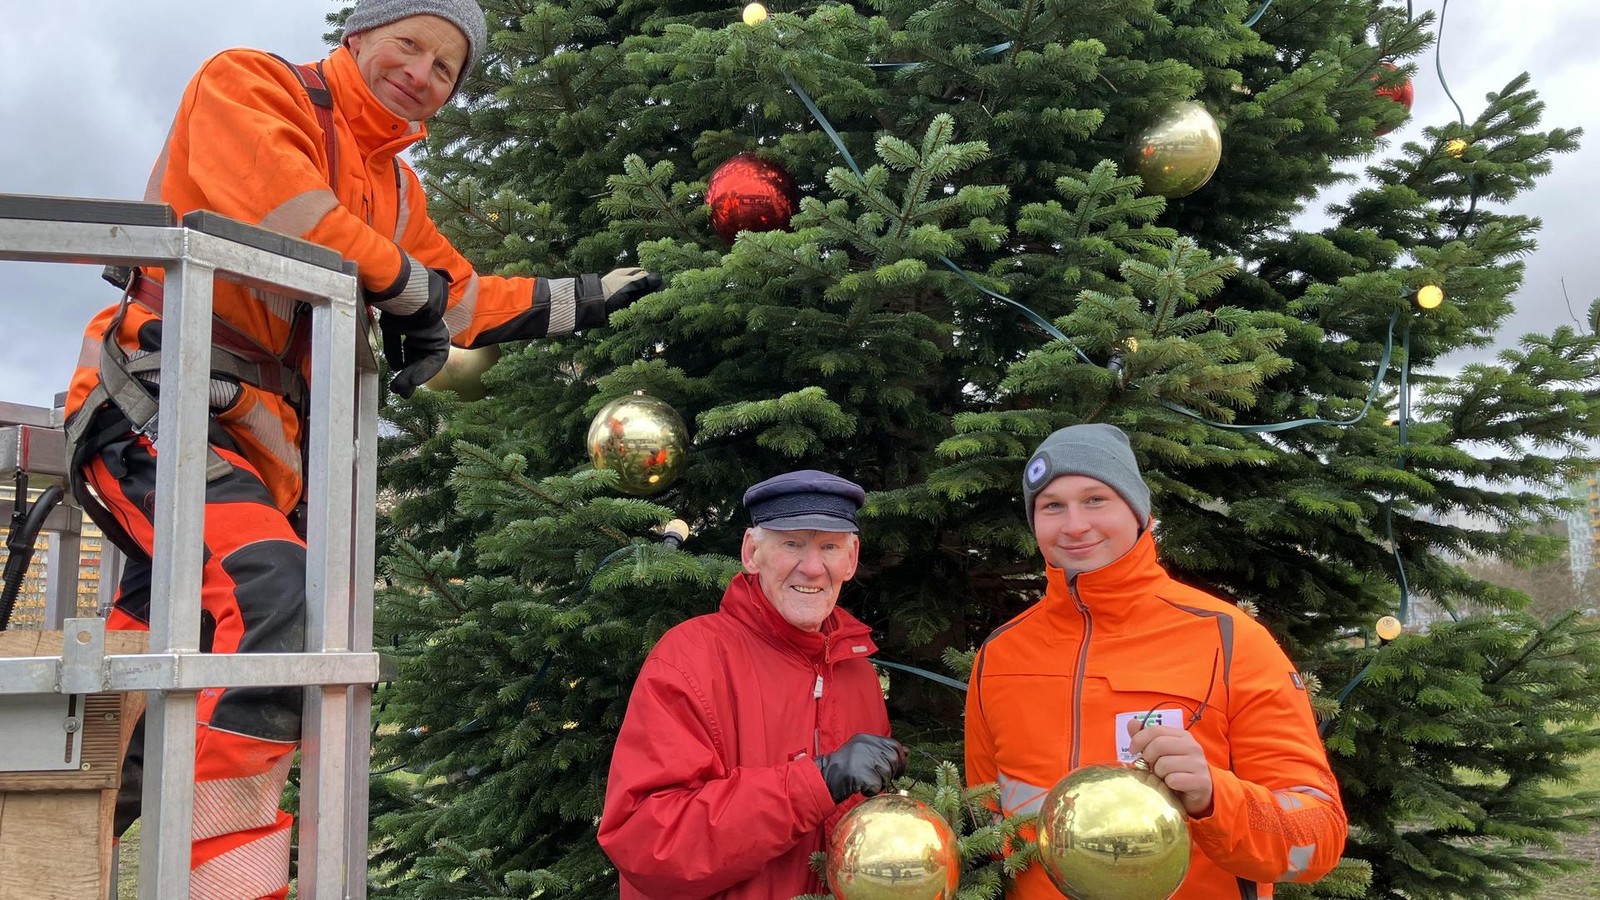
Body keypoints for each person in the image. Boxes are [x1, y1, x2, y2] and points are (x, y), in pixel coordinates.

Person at [61, 1, 662, 895]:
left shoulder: (394, 188)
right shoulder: (251, 85)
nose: (420, 72)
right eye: (408, 44)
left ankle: (67, 838)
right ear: (359, 39)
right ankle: (221, 881)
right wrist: (410, 294)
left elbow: (453, 297)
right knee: (279, 602)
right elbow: (293, 219)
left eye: (446, 68)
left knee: (161, 649)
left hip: (250, 451)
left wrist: (584, 298)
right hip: (159, 411)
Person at [965, 424, 1348, 899]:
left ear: (1138, 510)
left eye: (1096, 499)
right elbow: (986, 822)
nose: (1075, 525)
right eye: (1052, 506)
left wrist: (1213, 798)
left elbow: (1318, 839)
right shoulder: (1000, 655)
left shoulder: (1229, 640)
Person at [598, 470, 907, 899]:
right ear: (751, 552)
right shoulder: (689, 659)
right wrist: (816, 784)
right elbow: (651, 843)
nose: (813, 567)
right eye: (792, 543)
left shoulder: (857, 672)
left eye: (830, 547)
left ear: (851, 559)